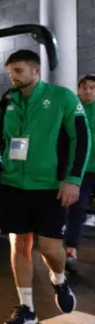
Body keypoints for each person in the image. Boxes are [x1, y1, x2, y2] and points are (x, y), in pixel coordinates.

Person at [0, 49, 91, 324]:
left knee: (50, 246)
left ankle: (59, 278)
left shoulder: (62, 97)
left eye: (18, 71)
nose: (13, 78)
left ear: (35, 70)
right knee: (19, 244)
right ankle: (27, 308)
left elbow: (82, 138)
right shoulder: (7, 102)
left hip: (50, 187)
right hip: (13, 186)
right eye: (10, 72)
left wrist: (73, 179)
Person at [66, 74, 95, 273]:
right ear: (79, 90)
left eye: (93, 88)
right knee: (77, 210)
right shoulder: (74, 110)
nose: (88, 91)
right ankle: (71, 250)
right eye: (85, 88)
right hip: (81, 171)